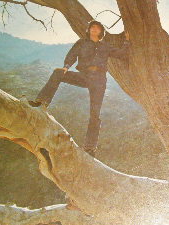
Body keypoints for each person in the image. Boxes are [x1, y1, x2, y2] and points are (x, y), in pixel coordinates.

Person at [29, 20, 130, 156]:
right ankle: (42, 102)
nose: (94, 29)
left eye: (97, 28)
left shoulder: (105, 46)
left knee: (95, 114)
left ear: (101, 31)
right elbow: (72, 55)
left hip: (99, 80)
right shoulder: (81, 43)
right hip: (84, 76)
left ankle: (90, 148)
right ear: (88, 30)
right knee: (57, 73)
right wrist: (66, 67)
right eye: (92, 27)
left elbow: (122, 54)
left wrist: (127, 41)